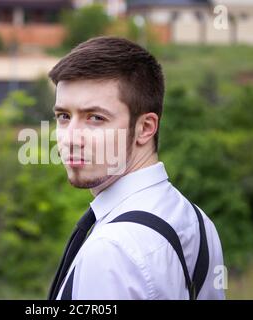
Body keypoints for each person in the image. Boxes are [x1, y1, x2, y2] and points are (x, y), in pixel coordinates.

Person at [47, 36, 225, 300]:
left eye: (95, 118)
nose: (70, 138)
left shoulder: (110, 249)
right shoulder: (197, 220)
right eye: (64, 116)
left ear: (145, 128)